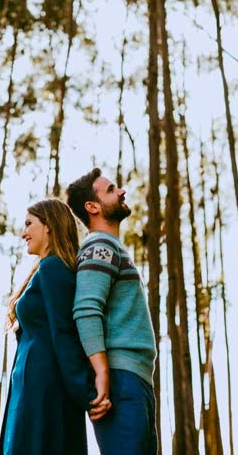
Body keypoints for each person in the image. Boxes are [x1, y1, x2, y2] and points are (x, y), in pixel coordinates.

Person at [0, 198, 102, 455]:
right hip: (30, 391)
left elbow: (64, 334)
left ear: (48, 226)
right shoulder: (45, 269)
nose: (23, 233)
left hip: (44, 395)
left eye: (29, 224)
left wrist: (87, 393)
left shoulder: (55, 269)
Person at [66, 168, 158, 455]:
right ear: (92, 207)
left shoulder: (111, 247)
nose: (121, 192)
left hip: (134, 379)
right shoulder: (100, 245)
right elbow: (86, 309)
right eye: (110, 190)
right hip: (119, 381)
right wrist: (102, 373)